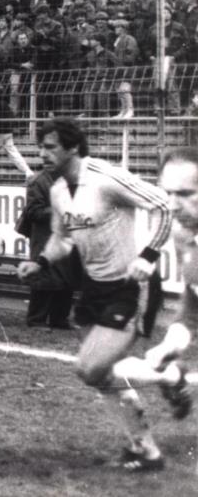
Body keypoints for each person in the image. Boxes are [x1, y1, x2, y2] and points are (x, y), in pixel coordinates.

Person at [17, 118, 172, 473]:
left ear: (73, 147)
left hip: (130, 286)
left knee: (90, 368)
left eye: (50, 147)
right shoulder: (58, 190)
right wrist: (40, 262)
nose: (42, 154)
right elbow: (63, 239)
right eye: (40, 148)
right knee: (102, 375)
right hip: (93, 288)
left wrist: (148, 256)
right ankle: (146, 450)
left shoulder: (105, 177)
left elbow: (163, 205)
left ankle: (170, 378)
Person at [108, 147, 197, 440]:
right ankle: (173, 375)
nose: (172, 205)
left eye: (185, 193)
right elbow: (193, 303)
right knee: (113, 371)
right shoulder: (184, 235)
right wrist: (172, 343)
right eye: (166, 193)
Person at [14, 169, 76, 330]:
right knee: (43, 276)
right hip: (43, 235)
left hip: (64, 235)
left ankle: (60, 318)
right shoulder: (39, 181)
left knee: (66, 276)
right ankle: (36, 319)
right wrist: (60, 210)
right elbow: (33, 212)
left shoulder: (68, 178)